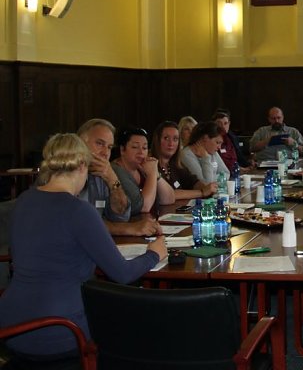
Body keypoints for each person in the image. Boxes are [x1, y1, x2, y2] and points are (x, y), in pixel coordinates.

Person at [0, 133, 166, 361]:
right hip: (61, 330)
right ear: (81, 166)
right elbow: (123, 274)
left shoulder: (24, 200)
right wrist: (154, 254)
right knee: (140, 325)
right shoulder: (78, 210)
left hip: (11, 324)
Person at [77, 119, 161, 236]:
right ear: (80, 143)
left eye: (109, 147)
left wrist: (112, 179)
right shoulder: (67, 173)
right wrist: (128, 229)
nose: (105, 153)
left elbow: (120, 216)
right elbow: (80, 223)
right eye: (100, 143)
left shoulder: (102, 174)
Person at [112, 127, 175, 214]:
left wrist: (156, 173)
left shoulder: (143, 167)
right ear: (122, 150)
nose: (141, 152)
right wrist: (152, 174)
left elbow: (169, 199)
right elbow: (144, 207)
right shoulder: (116, 171)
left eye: (145, 148)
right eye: (135, 147)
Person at [150, 121, 217, 200]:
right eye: (166, 138)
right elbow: (168, 194)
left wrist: (207, 188)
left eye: (175, 139)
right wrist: (202, 192)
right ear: (157, 140)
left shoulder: (176, 165)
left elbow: (193, 182)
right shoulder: (151, 164)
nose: (171, 143)